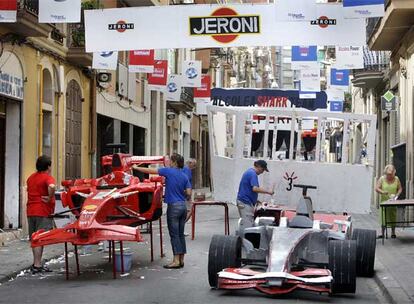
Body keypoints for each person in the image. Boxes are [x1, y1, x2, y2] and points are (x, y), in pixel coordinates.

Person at [133, 153, 191, 269]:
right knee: (180, 234)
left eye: (170, 160)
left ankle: (175, 261)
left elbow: (151, 171)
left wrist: (135, 167)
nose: (168, 162)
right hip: (182, 206)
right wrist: (180, 194)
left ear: (174, 162)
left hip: (173, 207)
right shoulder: (184, 176)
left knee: (174, 235)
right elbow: (189, 193)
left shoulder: (168, 171)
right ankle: (181, 260)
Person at [26, 155, 56, 274]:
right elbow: (52, 186)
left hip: (30, 211)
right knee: (40, 238)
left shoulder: (31, 178)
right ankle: (37, 264)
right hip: (42, 211)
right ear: (48, 166)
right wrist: (49, 197)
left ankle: (36, 263)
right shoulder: (47, 178)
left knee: (34, 238)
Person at [237, 160, 274, 234]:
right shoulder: (253, 174)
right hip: (245, 202)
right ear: (259, 167)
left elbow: (248, 189)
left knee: (248, 223)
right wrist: (268, 192)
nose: (262, 172)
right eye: (263, 169)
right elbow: (255, 188)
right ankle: (244, 243)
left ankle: (245, 242)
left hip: (245, 201)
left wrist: (255, 200)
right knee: (248, 227)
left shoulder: (249, 172)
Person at [375, 164, 402, 239]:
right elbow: (377, 188)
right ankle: (382, 233)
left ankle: (393, 233)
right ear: (386, 173)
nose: (390, 176)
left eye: (391, 174)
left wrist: (397, 195)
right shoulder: (382, 179)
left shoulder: (396, 179)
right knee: (383, 217)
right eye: (388, 174)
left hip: (393, 201)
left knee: (393, 216)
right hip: (384, 201)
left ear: (394, 172)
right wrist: (383, 192)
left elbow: (400, 189)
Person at [182, 158, 197, 223]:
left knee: (186, 210)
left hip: (183, 192)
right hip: (186, 192)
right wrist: (188, 194)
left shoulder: (183, 169)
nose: (194, 167)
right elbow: (186, 181)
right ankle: (182, 224)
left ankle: (181, 225)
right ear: (190, 163)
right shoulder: (187, 170)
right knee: (190, 210)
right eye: (194, 165)